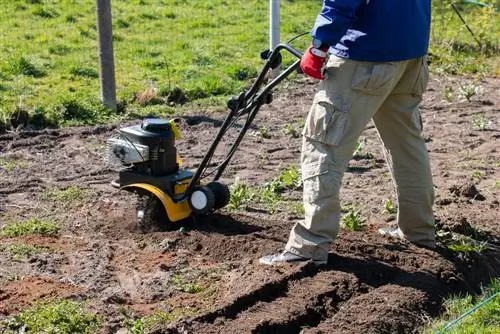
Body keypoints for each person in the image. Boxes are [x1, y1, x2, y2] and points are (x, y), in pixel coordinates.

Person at [260, 0, 436, 265]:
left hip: (365, 56)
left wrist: (320, 46)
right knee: (406, 144)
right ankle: (419, 230)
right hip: (411, 52)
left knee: (324, 143)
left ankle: (310, 245)